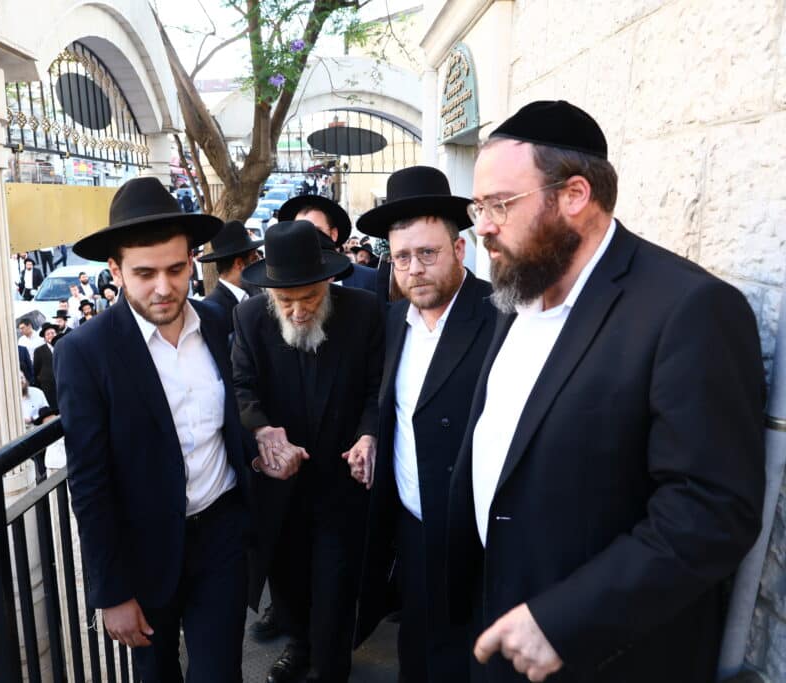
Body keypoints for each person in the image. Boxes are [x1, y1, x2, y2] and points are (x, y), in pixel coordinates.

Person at [445, 100, 766, 683]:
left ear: (574, 195)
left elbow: (711, 512)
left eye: (500, 204)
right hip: (498, 626)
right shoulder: (520, 294)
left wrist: (566, 622)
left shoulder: (688, 309)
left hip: (601, 653)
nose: (483, 225)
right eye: (478, 207)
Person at [54, 176, 251, 682]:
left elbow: (240, 411)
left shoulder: (219, 323)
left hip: (222, 536)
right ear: (115, 270)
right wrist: (111, 591)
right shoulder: (85, 352)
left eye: (176, 269)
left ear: (192, 261)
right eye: (144, 273)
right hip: (143, 553)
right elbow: (89, 481)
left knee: (220, 673)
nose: (164, 287)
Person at [352, 166, 494, 682]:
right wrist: (370, 434)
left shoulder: (501, 318)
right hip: (410, 527)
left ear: (459, 250)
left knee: (468, 662)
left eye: (428, 253)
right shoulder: (392, 322)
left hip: (475, 538)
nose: (414, 269)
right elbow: (386, 401)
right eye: (402, 257)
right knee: (416, 656)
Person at [232, 220, 384, 683]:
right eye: (286, 302)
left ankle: (331, 667)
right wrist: (262, 430)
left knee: (335, 586)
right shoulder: (250, 318)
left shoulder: (363, 311)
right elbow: (241, 387)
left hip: (341, 479)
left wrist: (368, 435)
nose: (298, 312)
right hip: (282, 482)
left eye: (310, 299)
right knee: (289, 580)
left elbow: (377, 388)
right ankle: (299, 646)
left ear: (328, 283)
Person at [279, 194, 378, 293]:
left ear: (333, 234)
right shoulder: (283, 279)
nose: (306, 238)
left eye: (316, 230)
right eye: (299, 231)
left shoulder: (369, 278)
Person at [199, 220, 264, 330]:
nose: (258, 265)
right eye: (254, 259)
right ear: (239, 264)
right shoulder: (211, 310)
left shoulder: (256, 293)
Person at [33, 323, 59, 409]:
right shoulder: (38, 351)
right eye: (48, 334)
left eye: (53, 333)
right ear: (44, 338)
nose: (51, 335)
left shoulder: (62, 346)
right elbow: (36, 370)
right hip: (48, 387)